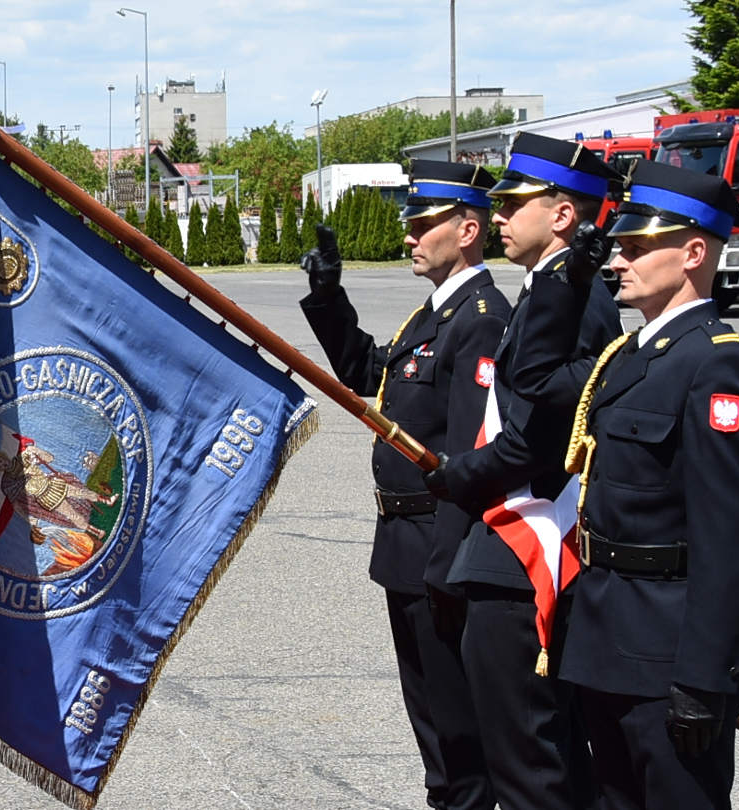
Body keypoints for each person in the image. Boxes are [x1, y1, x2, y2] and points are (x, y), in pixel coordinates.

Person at [520, 160, 739, 809]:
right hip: (603, 638)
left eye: (635, 247)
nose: (619, 260)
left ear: (692, 253)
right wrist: (569, 280)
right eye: (618, 247)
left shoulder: (717, 365)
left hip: (667, 657)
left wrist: (703, 677)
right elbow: (535, 376)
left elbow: (728, 539)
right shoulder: (628, 355)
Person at [422, 132, 624, 810]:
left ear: (563, 214)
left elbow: (541, 438)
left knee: (528, 767)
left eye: (514, 203)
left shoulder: (574, 296)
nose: (500, 216)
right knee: (543, 758)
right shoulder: (549, 289)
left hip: (525, 544)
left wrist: (458, 474)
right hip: (508, 541)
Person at [300, 160, 509, 810]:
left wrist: (449, 565)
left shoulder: (480, 318)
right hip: (405, 547)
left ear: (468, 229)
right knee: (436, 742)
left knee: (462, 745)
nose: (410, 235)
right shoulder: (431, 315)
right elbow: (368, 370)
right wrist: (329, 294)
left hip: (438, 552)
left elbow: (475, 454)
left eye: (424, 224)